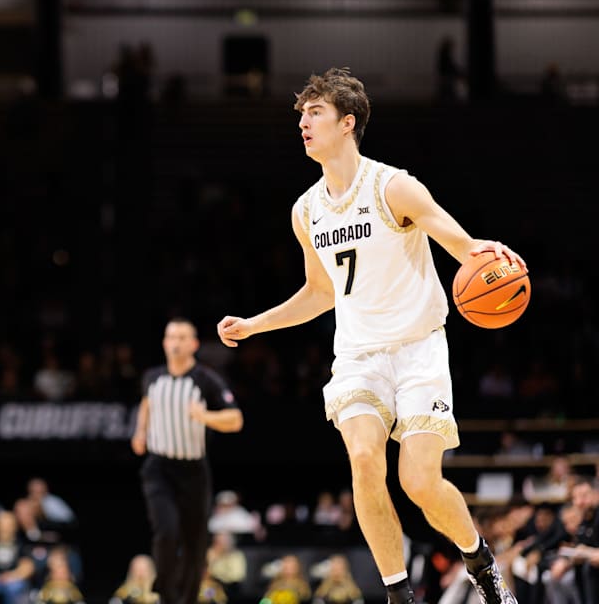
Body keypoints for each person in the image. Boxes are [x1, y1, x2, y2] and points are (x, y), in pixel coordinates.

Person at [216, 67, 525, 604]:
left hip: (418, 350)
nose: (304, 124)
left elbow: (457, 240)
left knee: (419, 484)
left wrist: (487, 253)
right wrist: (255, 323)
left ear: (347, 123)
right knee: (363, 456)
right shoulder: (306, 211)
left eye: (315, 113)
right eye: (302, 115)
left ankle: (479, 560)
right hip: (358, 356)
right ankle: (398, 593)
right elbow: (320, 293)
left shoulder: (392, 186)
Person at [131, 317, 243, 604]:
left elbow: (235, 419)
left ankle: (189, 598)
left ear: (193, 344)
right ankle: (166, 594)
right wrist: (140, 432)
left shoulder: (206, 379)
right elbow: (146, 403)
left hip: (193, 471)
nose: (176, 342)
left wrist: (204, 416)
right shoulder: (152, 377)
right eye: (171, 337)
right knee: (166, 531)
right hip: (159, 468)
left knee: (195, 543)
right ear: (164, 343)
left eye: (182, 337)